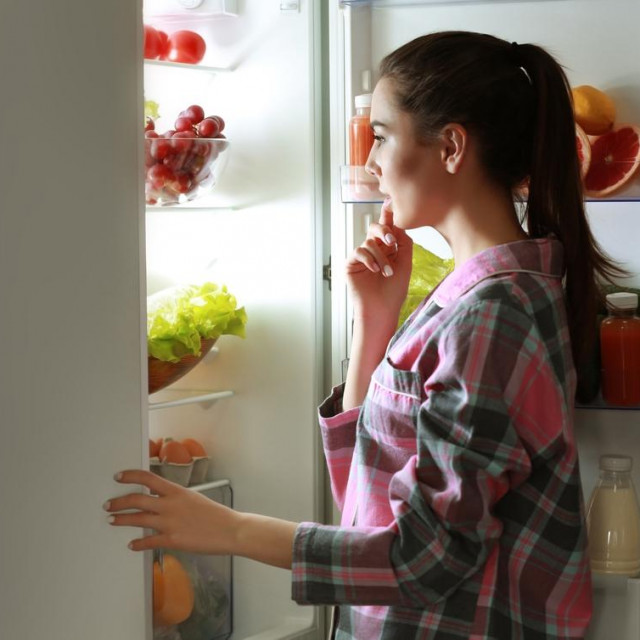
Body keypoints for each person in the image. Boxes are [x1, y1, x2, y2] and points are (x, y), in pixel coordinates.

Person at [105, 31, 623, 639]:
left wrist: (230, 530)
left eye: (380, 135)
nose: (371, 161)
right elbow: (370, 504)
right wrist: (373, 326)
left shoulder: (493, 315)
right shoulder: (478, 295)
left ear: (452, 146)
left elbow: (424, 559)